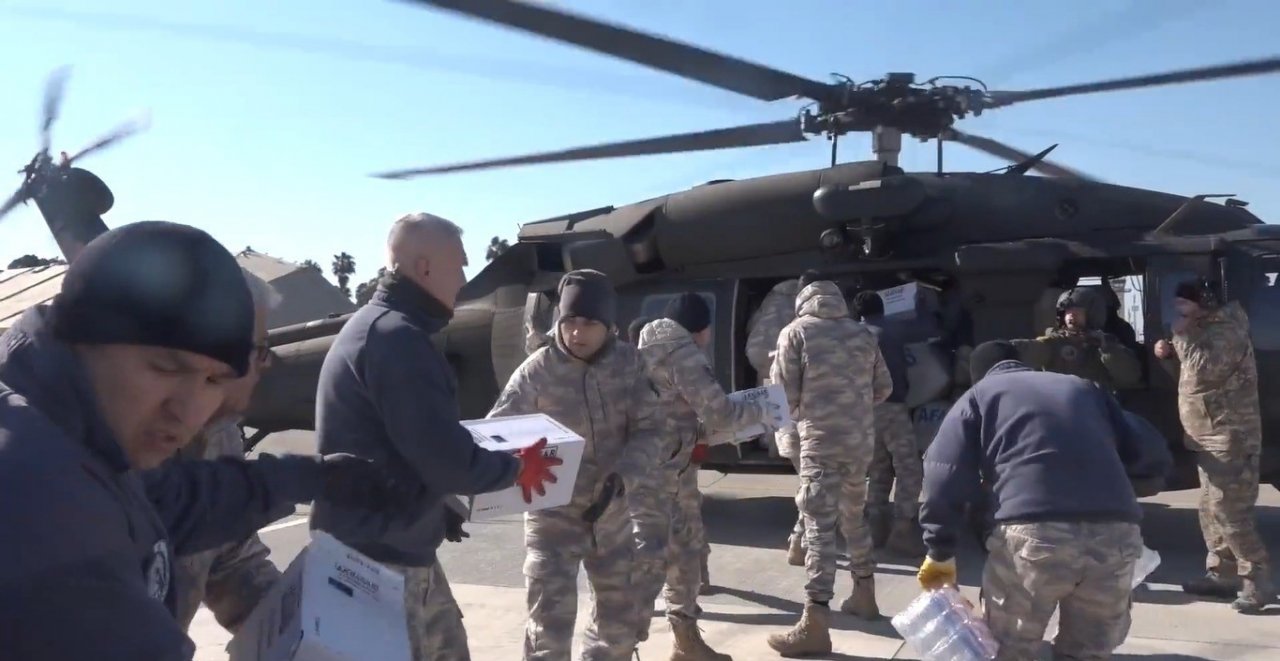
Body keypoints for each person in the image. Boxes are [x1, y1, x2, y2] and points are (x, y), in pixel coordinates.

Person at [0, 221, 405, 661]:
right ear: (82, 339)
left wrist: (315, 478)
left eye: (215, 377)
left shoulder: (93, 440)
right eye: (165, 367)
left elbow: (172, 501)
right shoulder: (38, 500)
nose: (189, 411)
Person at [309, 212, 561, 661]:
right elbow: (446, 459)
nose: (464, 280)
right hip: (381, 560)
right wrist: (520, 468)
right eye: (460, 265)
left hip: (384, 543)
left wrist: (434, 499)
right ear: (424, 267)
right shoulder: (398, 340)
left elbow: (398, 445)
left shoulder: (378, 326)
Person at [917, 341, 1173, 660]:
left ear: (978, 375)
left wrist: (939, 550)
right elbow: (1148, 448)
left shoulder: (981, 395)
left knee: (1008, 650)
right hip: (1116, 534)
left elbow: (943, 475)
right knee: (1089, 652)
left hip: (1035, 536)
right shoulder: (1083, 387)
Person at [488, 269, 665, 661]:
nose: (577, 333)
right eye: (569, 322)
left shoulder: (629, 365)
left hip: (612, 519)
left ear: (609, 326)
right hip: (552, 522)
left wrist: (624, 477)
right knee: (548, 638)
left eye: (589, 323)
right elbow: (496, 435)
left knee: (618, 633)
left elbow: (652, 429)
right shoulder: (538, 371)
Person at [636, 293, 777, 660]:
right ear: (701, 330)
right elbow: (720, 414)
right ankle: (673, 642)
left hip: (651, 468)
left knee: (670, 551)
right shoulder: (683, 353)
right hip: (667, 472)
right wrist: (764, 409)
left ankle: (681, 641)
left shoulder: (639, 349)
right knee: (679, 554)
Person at [766, 272, 892, 657]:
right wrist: (852, 407)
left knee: (819, 526)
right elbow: (884, 388)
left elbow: (780, 397)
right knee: (854, 517)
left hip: (819, 442)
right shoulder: (862, 334)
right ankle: (865, 595)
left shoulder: (796, 332)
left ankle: (816, 621)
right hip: (859, 442)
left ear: (803, 298)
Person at [169, 269, 284, 633]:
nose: (265, 364)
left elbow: (230, 558)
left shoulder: (218, 433)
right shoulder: (51, 453)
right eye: (259, 350)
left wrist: (293, 628)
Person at [1154, 278, 1273, 613]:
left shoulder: (1227, 330)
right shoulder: (1203, 327)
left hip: (1229, 437)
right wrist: (1169, 349)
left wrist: (1181, 335)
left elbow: (1205, 369)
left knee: (1231, 512)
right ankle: (1223, 573)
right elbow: (1189, 374)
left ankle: (1257, 580)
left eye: (1184, 304)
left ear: (1203, 302)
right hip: (1206, 434)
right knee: (1210, 509)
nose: (1178, 311)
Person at [851, 290, 934, 558]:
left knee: (878, 468)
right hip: (892, 407)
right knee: (908, 467)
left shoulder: (852, 335)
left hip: (863, 412)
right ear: (883, 307)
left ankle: (876, 526)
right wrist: (922, 306)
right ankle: (902, 528)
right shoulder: (889, 329)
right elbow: (929, 330)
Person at [744, 278, 808, 563]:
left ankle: (801, 539)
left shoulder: (773, 305)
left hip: (784, 402)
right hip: (803, 410)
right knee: (814, 481)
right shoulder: (792, 312)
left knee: (810, 479)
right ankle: (801, 541)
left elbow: (754, 345)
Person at [1015, 287, 1142, 391]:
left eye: (1077, 311)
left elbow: (1130, 376)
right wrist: (1005, 348)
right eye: (1068, 311)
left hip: (1097, 407)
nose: (1071, 315)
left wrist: (1107, 349)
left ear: (1093, 313)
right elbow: (1031, 350)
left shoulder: (1107, 344)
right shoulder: (1053, 342)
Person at [745, 278, 801, 461]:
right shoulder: (800, 299)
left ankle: (768, 440)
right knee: (784, 399)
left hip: (758, 351)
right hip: (779, 353)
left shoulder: (771, 297)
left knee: (767, 394)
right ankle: (782, 445)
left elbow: (752, 324)